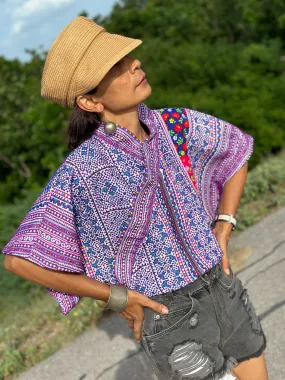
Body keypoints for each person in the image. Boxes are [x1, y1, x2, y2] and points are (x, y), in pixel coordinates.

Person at [2, 16, 268, 380]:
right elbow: (20, 261)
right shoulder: (83, 170)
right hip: (170, 314)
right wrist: (116, 297)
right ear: (89, 100)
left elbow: (236, 149)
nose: (135, 64)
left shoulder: (175, 124)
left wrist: (223, 227)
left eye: (130, 58)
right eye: (117, 67)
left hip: (222, 285)